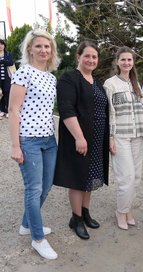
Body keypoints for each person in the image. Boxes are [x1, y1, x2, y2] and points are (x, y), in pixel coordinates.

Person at [8, 30, 60, 260]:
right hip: (28, 140)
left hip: (49, 139)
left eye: (47, 47)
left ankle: (26, 225)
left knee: (46, 186)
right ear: (30, 49)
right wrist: (15, 146)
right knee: (34, 189)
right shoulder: (23, 73)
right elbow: (13, 110)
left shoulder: (51, 77)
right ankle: (38, 238)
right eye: (38, 46)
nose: (43, 50)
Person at [53, 41, 109, 240]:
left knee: (90, 177)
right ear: (78, 56)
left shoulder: (97, 81)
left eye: (94, 57)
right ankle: (76, 219)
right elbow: (66, 109)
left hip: (97, 140)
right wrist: (79, 137)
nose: (91, 60)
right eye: (87, 56)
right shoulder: (69, 78)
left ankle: (85, 213)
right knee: (78, 179)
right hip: (80, 139)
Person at [103, 46, 143, 230]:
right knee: (126, 177)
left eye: (129, 60)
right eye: (123, 59)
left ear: (133, 62)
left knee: (136, 177)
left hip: (137, 136)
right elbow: (110, 113)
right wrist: (110, 138)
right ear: (117, 62)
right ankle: (121, 212)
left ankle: (127, 209)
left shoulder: (136, 84)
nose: (126, 63)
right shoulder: (110, 84)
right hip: (120, 137)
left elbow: (142, 111)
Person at [0, 39, 14, 119]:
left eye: (2, 44)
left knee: (7, 94)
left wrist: (2, 62)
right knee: (0, 94)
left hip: (7, 78)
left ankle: (7, 111)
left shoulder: (8, 54)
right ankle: (2, 110)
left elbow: (11, 62)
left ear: (4, 46)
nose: (0, 46)